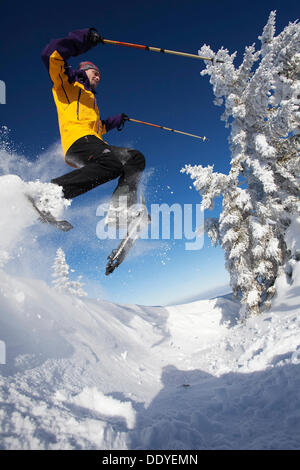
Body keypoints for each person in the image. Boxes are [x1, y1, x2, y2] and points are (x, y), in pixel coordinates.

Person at [41, 28, 146, 224]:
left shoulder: (91, 101)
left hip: (92, 141)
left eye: (99, 76)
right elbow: (51, 54)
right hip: (77, 140)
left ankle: (121, 209)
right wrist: (83, 39)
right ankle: (49, 193)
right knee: (111, 164)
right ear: (84, 70)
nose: (98, 77)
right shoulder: (67, 83)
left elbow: (100, 127)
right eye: (94, 73)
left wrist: (118, 120)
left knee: (134, 158)